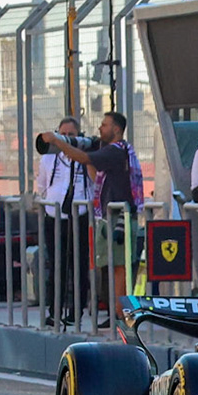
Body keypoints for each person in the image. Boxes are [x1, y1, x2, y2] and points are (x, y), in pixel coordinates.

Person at [47, 111, 142, 320]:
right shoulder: (115, 152)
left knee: (119, 269)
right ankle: (117, 313)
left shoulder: (116, 151)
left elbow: (81, 158)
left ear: (116, 129)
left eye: (104, 125)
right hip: (112, 217)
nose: (100, 128)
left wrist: (58, 141)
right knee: (111, 267)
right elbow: (94, 174)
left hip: (120, 219)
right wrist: (90, 155)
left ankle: (121, 315)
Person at [38, 116, 94, 326]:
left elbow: (94, 180)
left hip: (79, 215)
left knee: (78, 264)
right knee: (56, 265)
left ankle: (76, 311)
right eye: (63, 135)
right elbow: (42, 184)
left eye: (71, 135)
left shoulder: (84, 156)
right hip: (55, 215)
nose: (67, 139)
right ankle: (55, 310)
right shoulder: (48, 158)